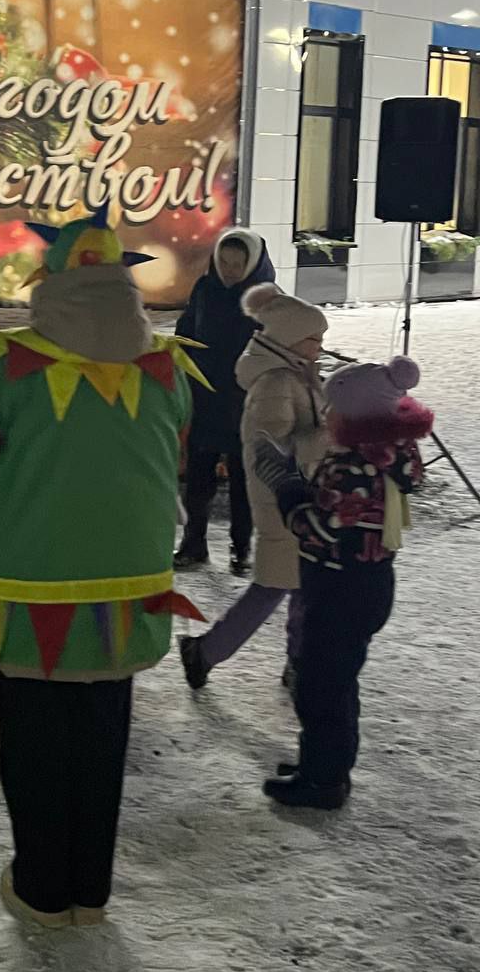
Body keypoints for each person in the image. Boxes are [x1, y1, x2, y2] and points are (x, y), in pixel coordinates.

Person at [0, 206, 207, 929]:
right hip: (132, 590)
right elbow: (171, 453)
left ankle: (42, 891)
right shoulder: (168, 368)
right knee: (103, 743)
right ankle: (89, 892)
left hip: (29, 588)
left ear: (48, 281)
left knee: (35, 746)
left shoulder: (1, 366)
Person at [254, 356, 432, 808]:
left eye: (333, 407)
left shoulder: (352, 466)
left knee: (320, 686)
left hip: (338, 587)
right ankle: (326, 766)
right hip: (369, 583)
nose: (327, 415)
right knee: (338, 680)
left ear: (355, 417)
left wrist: (288, 489)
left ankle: (323, 782)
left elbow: (320, 527)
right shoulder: (394, 455)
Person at [178, 283, 328, 692]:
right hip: (282, 501)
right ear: (290, 338)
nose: (320, 344)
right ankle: (205, 652)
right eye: (314, 337)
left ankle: (297, 662)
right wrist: (331, 435)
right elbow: (273, 451)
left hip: (300, 498)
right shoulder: (275, 383)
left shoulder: (297, 374)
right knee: (272, 588)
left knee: (300, 588)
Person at [174, 228, 275, 575]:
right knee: (198, 478)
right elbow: (187, 331)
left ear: (253, 263)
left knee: (243, 480)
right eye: (224, 262)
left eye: (237, 263)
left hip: (245, 400)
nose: (229, 270)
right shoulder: (205, 289)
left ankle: (242, 549)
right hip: (206, 395)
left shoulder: (267, 298)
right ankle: (194, 544)